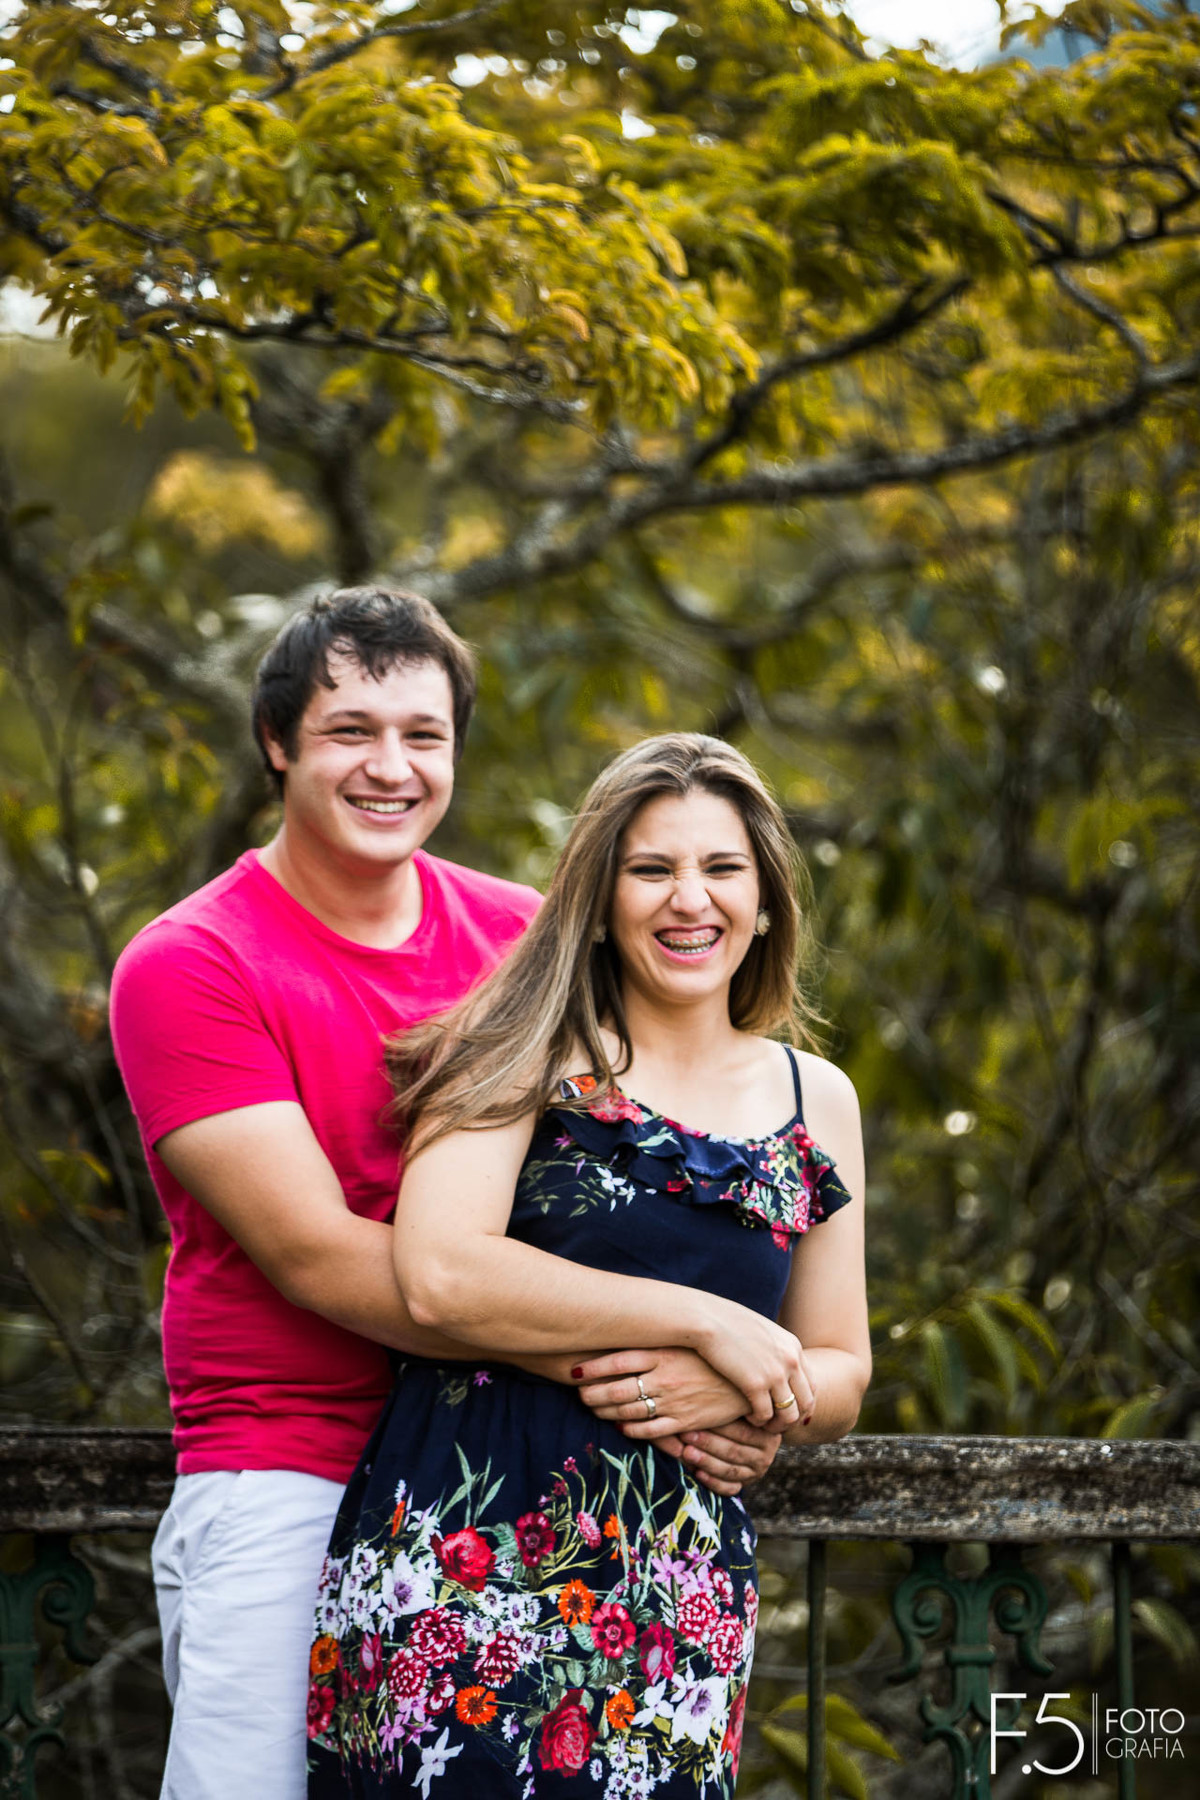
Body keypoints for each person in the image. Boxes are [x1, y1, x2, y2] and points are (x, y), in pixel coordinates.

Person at [110, 590, 784, 1800]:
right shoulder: (191, 964)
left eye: (423, 735)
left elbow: (656, 1165)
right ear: (277, 742)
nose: (391, 766)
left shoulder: (520, 937)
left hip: (517, 1473)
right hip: (294, 1464)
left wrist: (740, 1373)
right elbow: (322, 1258)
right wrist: (667, 1357)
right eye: (350, 730)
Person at [307, 732, 871, 1799]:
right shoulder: (521, 1045)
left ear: (765, 900)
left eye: (721, 869)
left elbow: (841, 1366)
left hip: (679, 1592)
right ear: (601, 896)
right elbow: (440, 1273)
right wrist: (702, 1324)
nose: (686, 900)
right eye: (650, 869)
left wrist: (757, 1396)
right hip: (470, 1561)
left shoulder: (816, 1099)